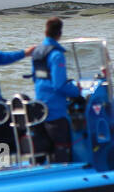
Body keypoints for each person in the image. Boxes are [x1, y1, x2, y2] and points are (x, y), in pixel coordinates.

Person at [30, 17, 81, 164]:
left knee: (44, 149)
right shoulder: (56, 55)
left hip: (40, 109)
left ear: (45, 31)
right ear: (59, 33)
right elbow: (59, 85)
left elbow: (35, 78)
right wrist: (76, 91)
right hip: (56, 112)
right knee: (62, 148)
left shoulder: (37, 52)